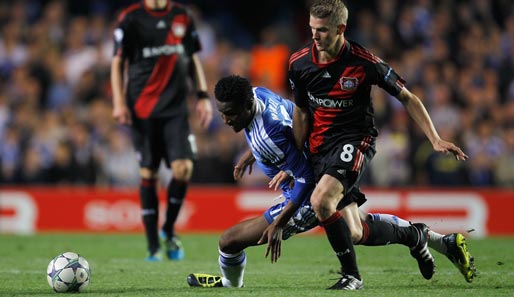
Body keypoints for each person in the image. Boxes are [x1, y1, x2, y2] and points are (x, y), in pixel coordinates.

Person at [186, 75, 454, 289]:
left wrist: (280, 222)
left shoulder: (269, 132)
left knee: (229, 241)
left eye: (230, 113)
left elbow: (303, 179)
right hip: (325, 165)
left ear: (245, 106)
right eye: (222, 112)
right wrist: (254, 155)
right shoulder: (258, 94)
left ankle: (231, 284)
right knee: (355, 232)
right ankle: (416, 235)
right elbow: (295, 116)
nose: (224, 119)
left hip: (308, 192)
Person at [288, 0, 470, 290]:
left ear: (341, 29)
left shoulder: (364, 62)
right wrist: (295, 159)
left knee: (321, 201)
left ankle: (352, 276)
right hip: (319, 147)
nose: (314, 36)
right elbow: (300, 113)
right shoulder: (299, 63)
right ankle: (417, 236)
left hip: (354, 141)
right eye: (312, 29)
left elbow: (408, 97)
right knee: (355, 232)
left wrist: (434, 138)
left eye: (321, 30)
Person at [110, 0, 213, 261]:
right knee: (149, 173)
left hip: (176, 110)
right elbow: (117, 62)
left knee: (184, 168)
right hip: (143, 110)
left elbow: (192, 58)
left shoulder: (182, 16)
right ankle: (153, 245)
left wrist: (202, 95)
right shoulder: (131, 18)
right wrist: (119, 103)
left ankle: (168, 229)